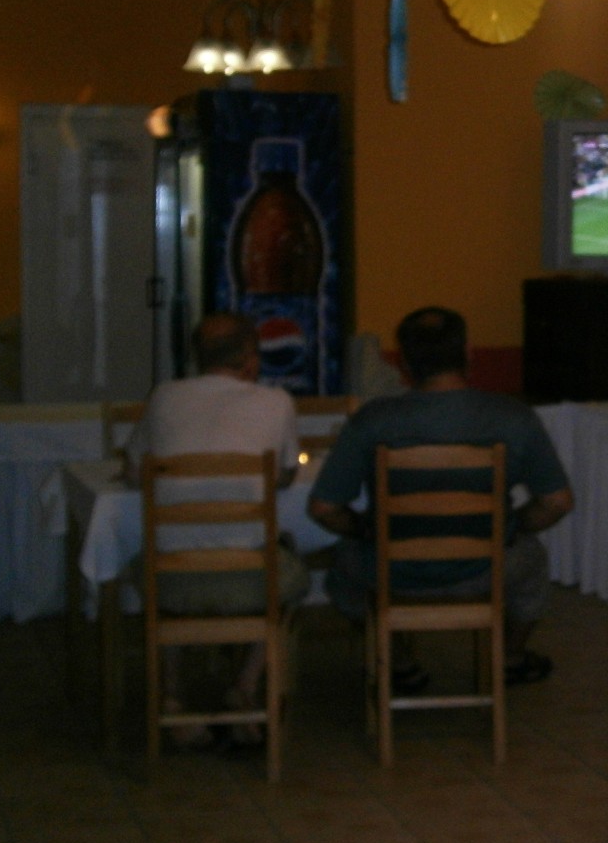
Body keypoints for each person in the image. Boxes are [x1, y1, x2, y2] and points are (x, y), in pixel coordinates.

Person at [308, 306, 574, 686]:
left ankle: (397, 663)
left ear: (404, 363)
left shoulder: (372, 420)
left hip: (391, 570)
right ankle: (510, 658)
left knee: (344, 570)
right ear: (467, 353)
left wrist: (365, 530)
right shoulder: (514, 417)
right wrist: (512, 527)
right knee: (532, 561)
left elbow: (324, 508)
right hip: (485, 568)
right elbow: (557, 502)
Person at [123, 312, 310, 746]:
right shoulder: (276, 402)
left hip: (171, 581)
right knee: (290, 576)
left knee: (165, 559)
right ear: (250, 357)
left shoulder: (164, 397)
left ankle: (172, 697)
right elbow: (285, 476)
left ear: (196, 357)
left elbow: (134, 473)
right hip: (251, 577)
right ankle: (243, 689)